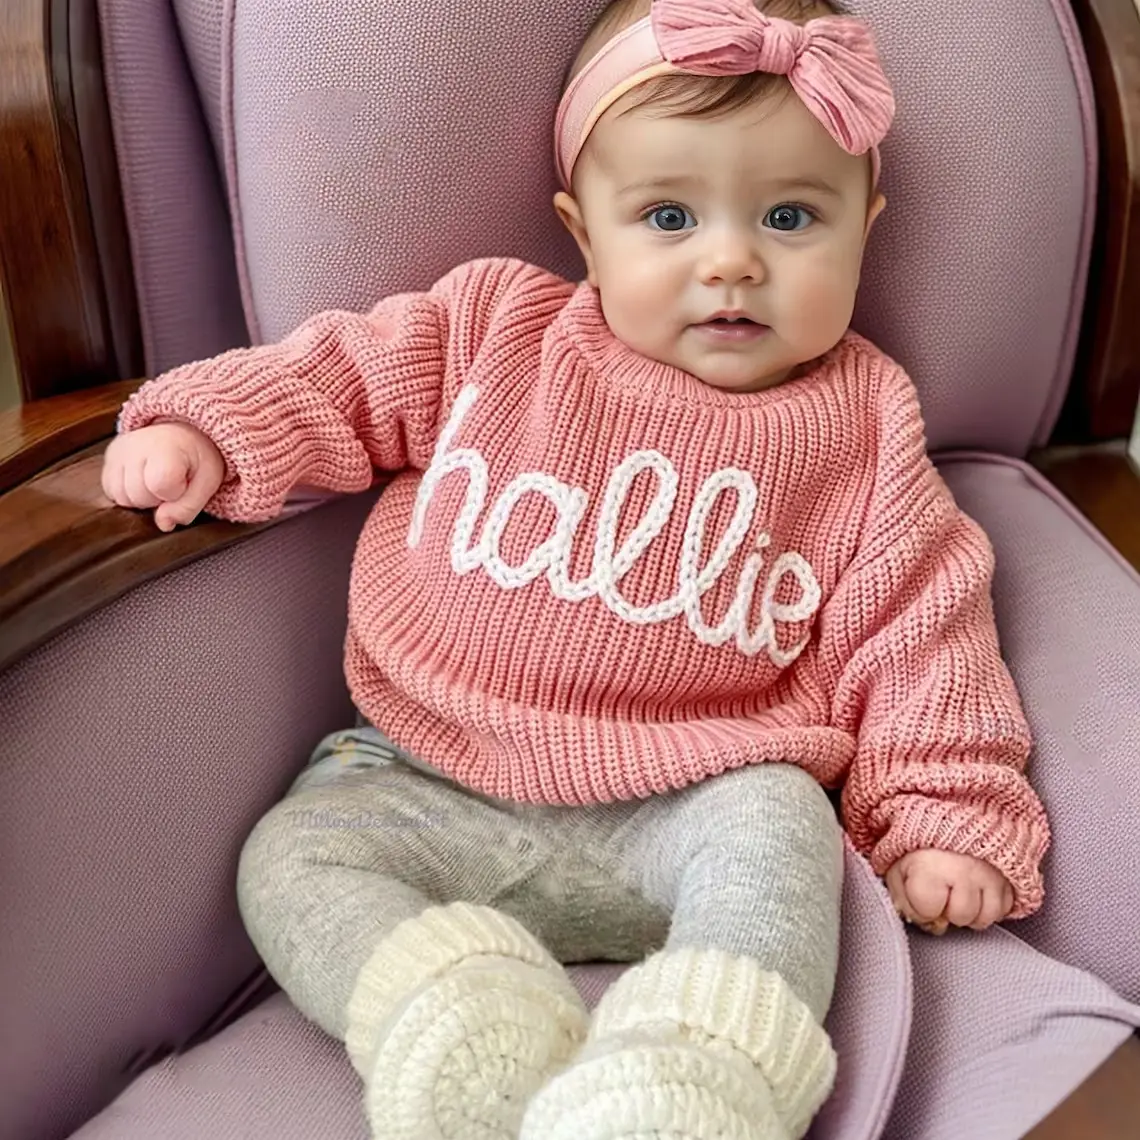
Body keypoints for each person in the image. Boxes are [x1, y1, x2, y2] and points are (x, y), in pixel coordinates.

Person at [99, 0, 1051, 1136]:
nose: (733, 259)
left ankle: (705, 1068)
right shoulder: (494, 331)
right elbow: (342, 379)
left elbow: (924, 629)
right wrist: (215, 430)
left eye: (792, 216)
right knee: (292, 856)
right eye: (667, 215)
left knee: (784, 828)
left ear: (865, 226)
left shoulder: (862, 425)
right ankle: (451, 1016)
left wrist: (943, 814)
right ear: (584, 229)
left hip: (691, 804)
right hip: (421, 776)